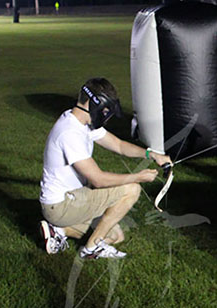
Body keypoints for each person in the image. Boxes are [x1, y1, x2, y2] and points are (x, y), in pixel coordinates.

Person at [38, 77, 169, 259]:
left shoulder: (82, 122)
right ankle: (91, 249)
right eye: (106, 110)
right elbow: (98, 180)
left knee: (115, 236)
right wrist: (138, 177)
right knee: (131, 190)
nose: (106, 114)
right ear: (94, 104)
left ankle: (59, 230)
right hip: (61, 205)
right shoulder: (70, 133)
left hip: (73, 199)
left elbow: (119, 145)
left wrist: (151, 154)